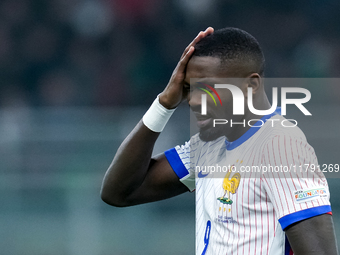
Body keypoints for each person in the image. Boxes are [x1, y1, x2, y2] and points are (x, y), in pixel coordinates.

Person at [100, 27, 338, 255]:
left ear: (251, 85)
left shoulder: (280, 146)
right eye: (188, 88)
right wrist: (164, 104)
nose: (192, 100)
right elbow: (118, 192)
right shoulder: (208, 145)